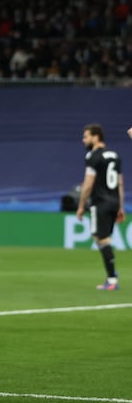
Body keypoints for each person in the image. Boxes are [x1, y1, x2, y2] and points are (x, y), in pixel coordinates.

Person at [76, 123, 125, 291]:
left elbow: (88, 184)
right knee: (103, 238)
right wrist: (120, 206)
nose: (83, 140)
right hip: (113, 202)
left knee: (101, 238)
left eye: (86, 137)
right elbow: (119, 182)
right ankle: (112, 274)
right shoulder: (115, 155)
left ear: (95, 137)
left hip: (100, 202)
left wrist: (81, 205)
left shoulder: (93, 156)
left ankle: (112, 279)